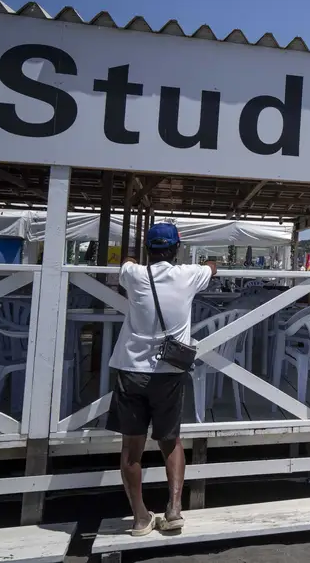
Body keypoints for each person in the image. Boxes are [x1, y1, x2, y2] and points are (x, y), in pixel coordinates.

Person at [106, 223, 216, 535]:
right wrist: (208, 263)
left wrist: (130, 257)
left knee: (131, 446)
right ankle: (175, 508)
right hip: (169, 371)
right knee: (171, 441)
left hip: (132, 369)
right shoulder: (188, 275)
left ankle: (141, 517)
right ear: (176, 248)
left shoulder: (135, 275)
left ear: (149, 249)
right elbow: (211, 267)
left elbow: (125, 263)